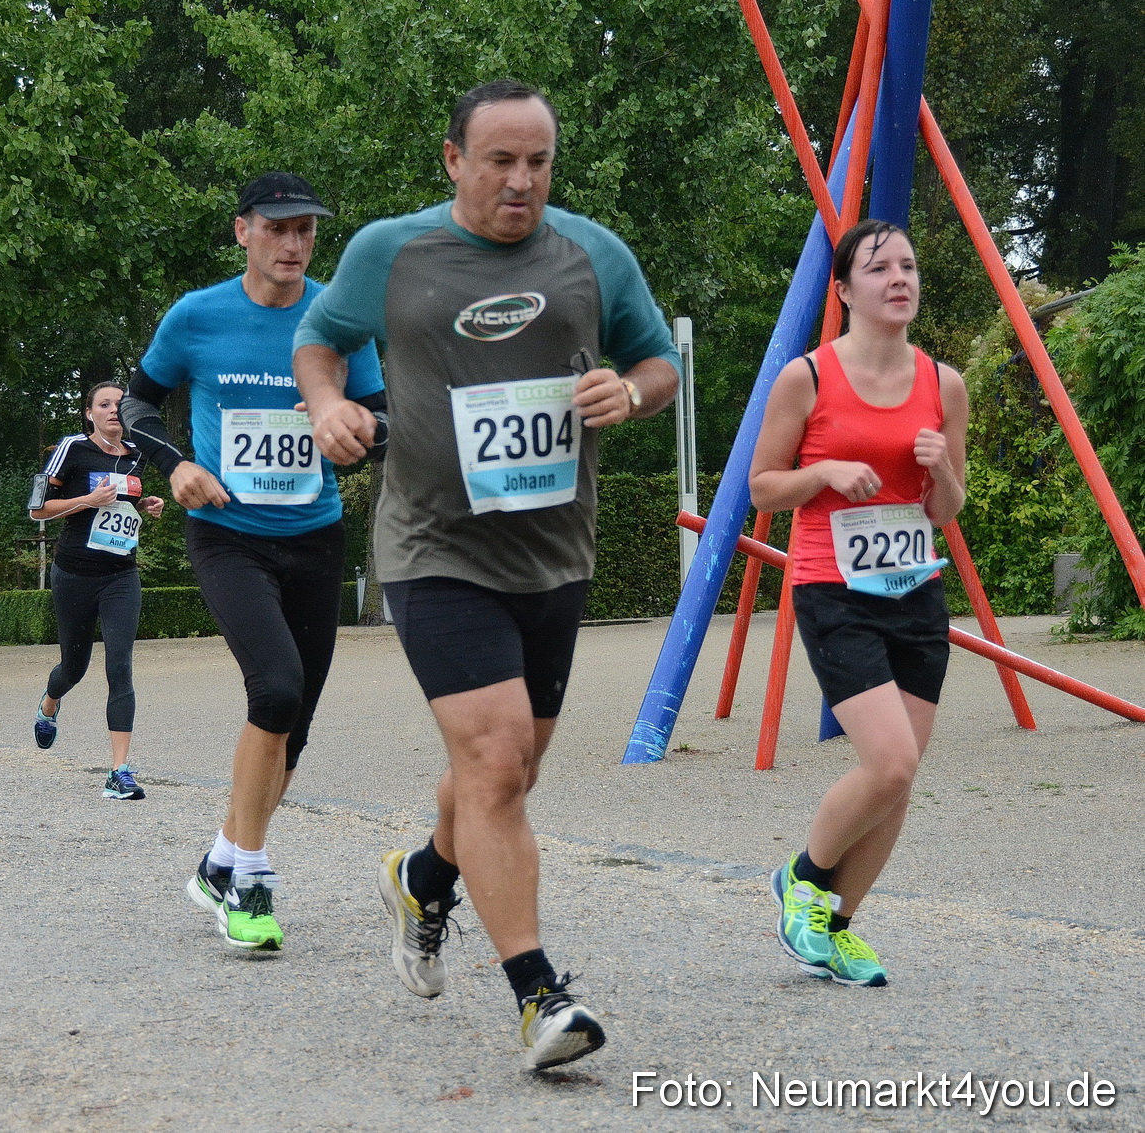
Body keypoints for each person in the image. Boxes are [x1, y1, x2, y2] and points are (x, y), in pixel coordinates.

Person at [293, 81, 680, 1069]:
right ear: (452, 159)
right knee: (497, 759)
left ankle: (425, 877)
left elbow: (656, 366)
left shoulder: (595, 254)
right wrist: (324, 405)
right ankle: (538, 998)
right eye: (500, 160)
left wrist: (628, 393)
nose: (521, 181)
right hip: (434, 547)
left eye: (538, 162)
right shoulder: (389, 251)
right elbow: (318, 341)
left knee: (508, 769)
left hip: (553, 552)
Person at [121, 172, 385, 953]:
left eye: (306, 228)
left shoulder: (339, 317)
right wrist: (172, 462)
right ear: (243, 232)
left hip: (316, 534)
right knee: (274, 687)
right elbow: (135, 402)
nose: (294, 243)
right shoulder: (196, 315)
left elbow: (385, 413)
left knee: (292, 729)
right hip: (227, 533)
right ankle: (250, 876)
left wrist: (356, 426)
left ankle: (218, 861)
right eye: (277, 228)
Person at [749, 218, 966, 988]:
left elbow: (947, 510)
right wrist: (826, 472)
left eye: (908, 264)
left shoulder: (944, 384)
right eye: (880, 268)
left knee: (899, 778)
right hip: (833, 586)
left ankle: (837, 927)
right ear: (844, 291)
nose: (899, 277)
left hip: (916, 590)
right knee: (893, 758)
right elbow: (761, 486)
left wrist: (941, 470)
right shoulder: (807, 377)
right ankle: (803, 877)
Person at [31, 382, 165, 799]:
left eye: (119, 405)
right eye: (103, 405)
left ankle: (119, 771)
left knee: (119, 666)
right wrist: (89, 499)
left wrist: (146, 505)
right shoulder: (71, 448)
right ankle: (50, 702)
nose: (112, 411)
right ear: (89, 413)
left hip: (121, 574)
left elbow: (126, 501)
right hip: (74, 573)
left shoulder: (137, 453)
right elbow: (37, 508)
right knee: (75, 666)